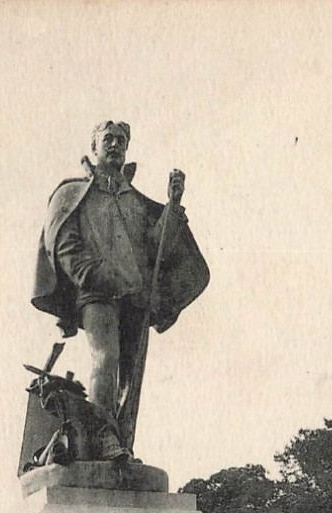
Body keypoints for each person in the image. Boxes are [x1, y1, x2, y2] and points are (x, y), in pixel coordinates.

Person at [32, 121, 209, 459]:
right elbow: (63, 241)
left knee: (130, 371)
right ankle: (103, 438)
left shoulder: (136, 202)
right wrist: (90, 273)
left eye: (121, 141)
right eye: (108, 139)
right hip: (97, 292)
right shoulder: (73, 192)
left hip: (135, 295)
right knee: (106, 359)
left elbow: (157, 249)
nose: (115, 145)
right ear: (94, 147)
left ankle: (118, 442)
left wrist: (172, 206)